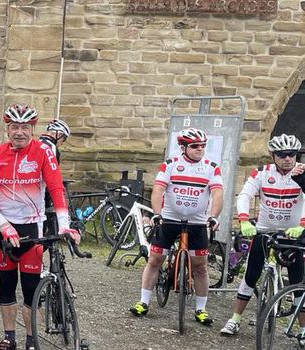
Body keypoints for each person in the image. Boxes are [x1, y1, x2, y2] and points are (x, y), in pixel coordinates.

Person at [0, 104, 79, 350]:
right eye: (15, 127)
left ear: (32, 128)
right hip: (3, 229)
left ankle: (32, 341)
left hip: (32, 229)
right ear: (7, 128)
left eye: (25, 127)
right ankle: (9, 337)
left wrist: (64, 225)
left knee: (31, 289)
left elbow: (56, 189)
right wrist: (3, 224)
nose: (19, 132)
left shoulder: (44, 152)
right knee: (6, 285)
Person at [129, 128, 223, 327]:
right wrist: (157, 213)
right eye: (195, 146)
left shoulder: (211, 167)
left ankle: (201, 309)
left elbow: (217, 194)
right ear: (183, 147)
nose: (200, 149)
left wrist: (213, 217)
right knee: (155, 260)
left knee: (200, 267)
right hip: (169, 221)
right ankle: (143, 302)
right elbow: (158, 190)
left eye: (203, 146)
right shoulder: (170, 165)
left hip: (197, 224)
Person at [221, 134, 305, 335]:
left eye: (292, 154)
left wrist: (302, 225)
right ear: (272, 155)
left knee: (297, 280)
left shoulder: (302, 173)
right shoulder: (261, 173)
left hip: (293, 233)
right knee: (251, 273)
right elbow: (245, 195)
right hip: (264, 229)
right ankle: (235, 319)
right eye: (282, 154)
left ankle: (303, 329)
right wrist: (243, 219)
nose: (288, 158)